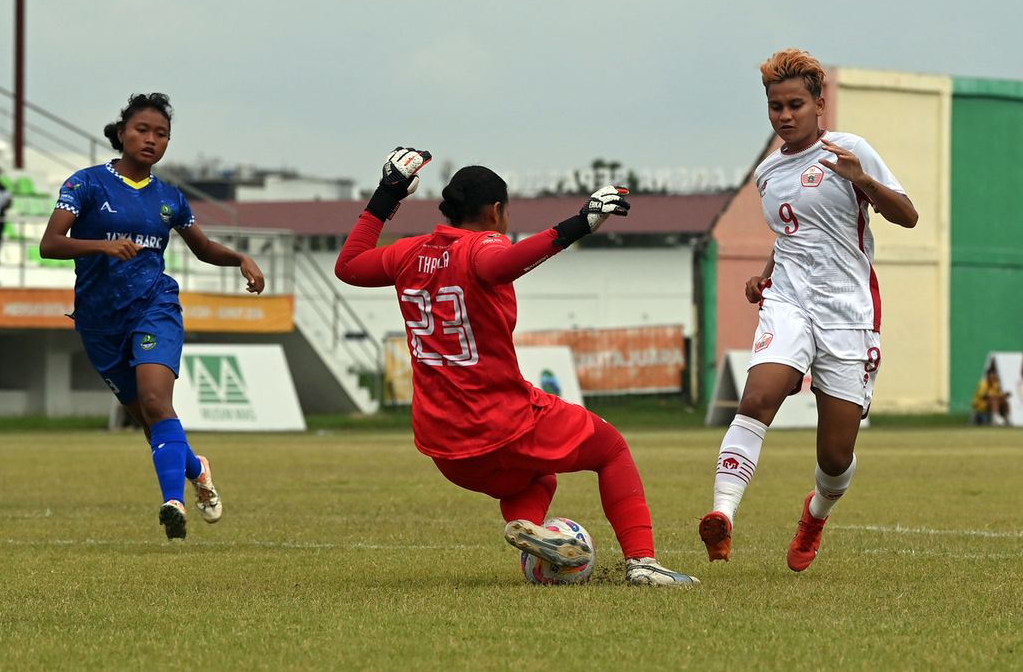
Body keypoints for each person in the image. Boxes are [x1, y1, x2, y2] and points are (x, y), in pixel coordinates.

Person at [336, 148, 699, 587]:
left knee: (534, 477)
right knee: (611, 448)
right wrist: (579, 223)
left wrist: (388, 192)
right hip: (500, 420)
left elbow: (349, 266)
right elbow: (498, 262)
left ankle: (527, 528)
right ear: (495, 211)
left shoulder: (409, 253)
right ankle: (643, 562)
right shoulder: (482, 245)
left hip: (443, 443)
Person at [697, 49, 919, 572]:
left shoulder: (851, 150)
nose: (784, 115)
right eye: (775, 106)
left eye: (795, 104)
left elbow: (907, 216)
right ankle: (721, 515)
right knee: (757, 396)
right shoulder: (768, 172)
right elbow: (792, 235)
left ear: (820, 103)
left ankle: (815, 514)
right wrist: (765, 273)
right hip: (789, 301)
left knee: (835, 456)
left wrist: (861, 179)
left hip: (848, 310)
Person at [39, 93, 265, 540]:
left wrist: (240, 258)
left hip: (154, 308)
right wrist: (100, 245)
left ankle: (173, 504)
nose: (151, 140)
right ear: (122, 133)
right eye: (142, 130)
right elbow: (49, 244)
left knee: (158, 403)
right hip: (100, 320)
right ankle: (197, 469)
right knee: (148, 418)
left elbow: (201, 247)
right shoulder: (85, 184)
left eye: (161, 134)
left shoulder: (169, 198)